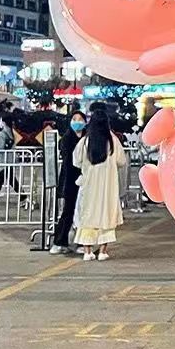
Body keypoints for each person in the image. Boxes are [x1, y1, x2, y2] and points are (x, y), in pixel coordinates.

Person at [73, 110, 126, 261]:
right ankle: (102, 251)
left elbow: (76, 161)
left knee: (87, 216)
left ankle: (87, 251)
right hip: (108, 188)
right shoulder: (113, 141)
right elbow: (121, 161)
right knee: (106, 216)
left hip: (89, 187)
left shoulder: (85, 141)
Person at [49, 111, 86, 254]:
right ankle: (59, 241)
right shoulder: (66, 139)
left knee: (83, 212)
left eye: (80, 119)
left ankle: (83, 243)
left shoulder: (88, 138)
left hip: (85, 179)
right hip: (70, 179)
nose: (77, 122)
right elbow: (68, 160)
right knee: (68, 211)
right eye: (74, 119)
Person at [0, 112, 26, 206]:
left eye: (1, 120)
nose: (0, 122)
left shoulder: (2, 134)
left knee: (6, 178)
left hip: (5, 160)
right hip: (10, 159)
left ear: (4, 122)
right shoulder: (11, 132)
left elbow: (0, 148)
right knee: (7, 179)